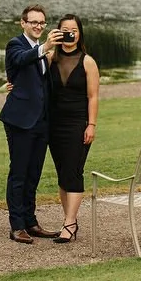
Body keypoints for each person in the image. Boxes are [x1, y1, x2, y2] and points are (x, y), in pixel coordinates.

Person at [0, 4, 60, 244]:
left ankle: (31, 222)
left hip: (41, 121)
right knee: (19, 174)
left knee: (33, 174)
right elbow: (21, 60)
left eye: (41, 23)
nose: (38, 26)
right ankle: (17, 226)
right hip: (20, 120)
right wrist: (46, 47)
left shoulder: (44, 52)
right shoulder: (16, 45)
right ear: (23, 23)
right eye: (33, 22)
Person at [45, 13, 100, 244]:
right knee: (62, 175)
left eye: (74, 30)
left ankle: (69, 224)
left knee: (74, 172)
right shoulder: (49, 58)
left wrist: (91, 125)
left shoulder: (88, 61)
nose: (70, 33)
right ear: (57, 32)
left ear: (80, 33)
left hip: (78, 124)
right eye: (65, 29)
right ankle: (70, 221)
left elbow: (93, 96)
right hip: (53, 124)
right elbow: (32, 80)